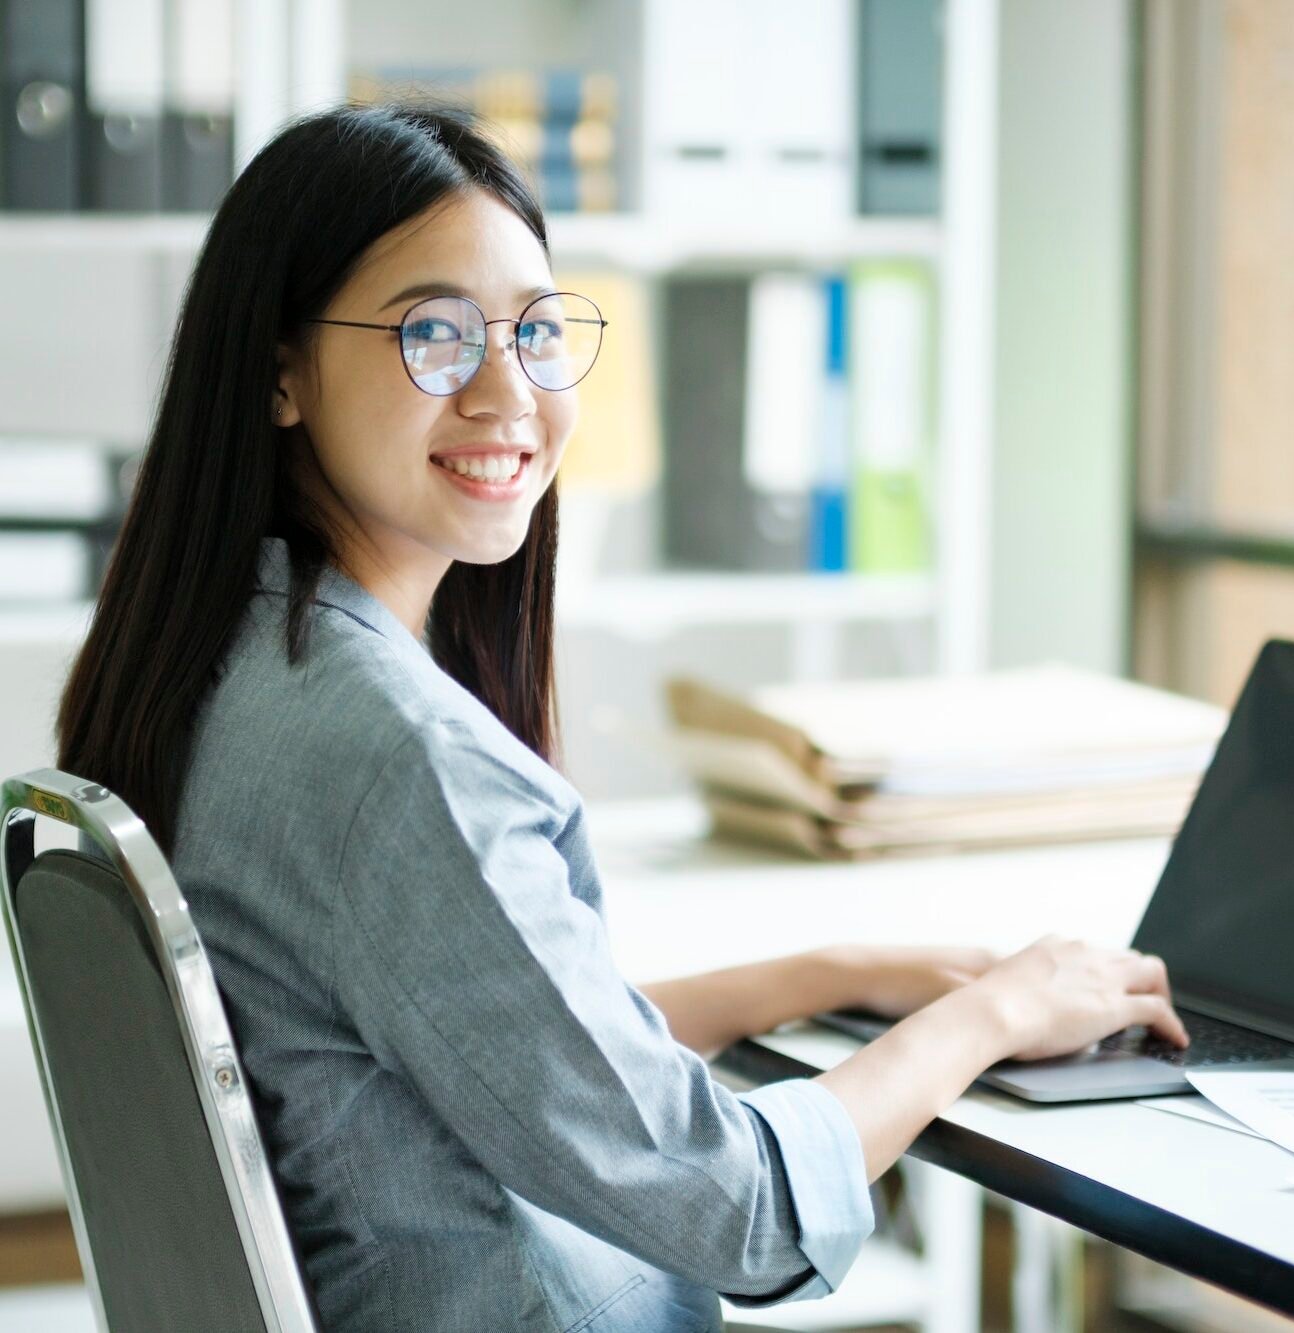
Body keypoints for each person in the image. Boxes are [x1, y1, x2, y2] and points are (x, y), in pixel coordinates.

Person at [56, 102, 1188, 1332]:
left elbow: (510, 1038)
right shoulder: (393, 754)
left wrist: (827, 974)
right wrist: (1001, 1011)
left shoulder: (220, 664)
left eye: (539, 332)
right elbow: (734, 1210)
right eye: (431, 333)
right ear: (283, 373)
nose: (508, 392)